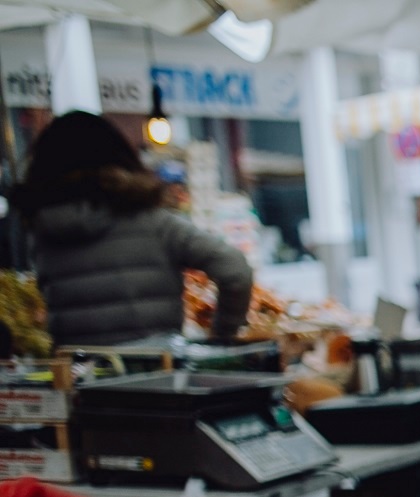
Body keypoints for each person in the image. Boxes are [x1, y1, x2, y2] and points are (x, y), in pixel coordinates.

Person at [20, 111, 252, 347]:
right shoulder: (154, 222)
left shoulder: (42, 231)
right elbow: (235, 270)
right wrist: (222, 336)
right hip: (157, 371)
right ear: (119, 154)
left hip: (81, 372)